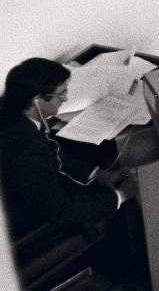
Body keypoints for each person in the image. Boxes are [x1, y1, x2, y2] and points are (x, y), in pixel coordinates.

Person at [1, 58, 134, 238]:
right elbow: (61, 211)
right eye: (61, 93)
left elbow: (50, 153)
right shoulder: (24, 149)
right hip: (24, 220)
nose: (66, 98)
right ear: (37, 101)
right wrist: (121, 195)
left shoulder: (11, 111)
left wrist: (96, 173)